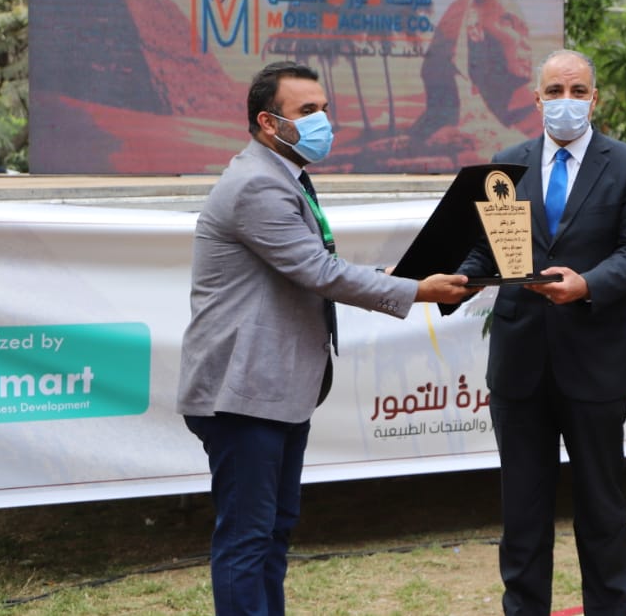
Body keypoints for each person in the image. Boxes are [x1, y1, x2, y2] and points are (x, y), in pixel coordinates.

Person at [176, 60, 470, 615]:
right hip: (242, 393)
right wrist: (416, 290)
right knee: (248, 537)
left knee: (273, 530)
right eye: (307, 111)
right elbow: (320, 273)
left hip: (273, 390)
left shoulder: (283, 176)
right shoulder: (257, 184)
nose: (323, 121)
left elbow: (314, 266)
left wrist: (400, 277)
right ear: (268, 122)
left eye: (324, 109)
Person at [456, 48, 626, 616]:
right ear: (536, 98)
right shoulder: (506, 165)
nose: (565, 102)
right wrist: (461, 278)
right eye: (554, 91)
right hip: (520, 367)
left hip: (595, 363)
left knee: (602, 512)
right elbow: (487, 249)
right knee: (522, 516)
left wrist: (587, 284)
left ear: (595, 100)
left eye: (577, 91)